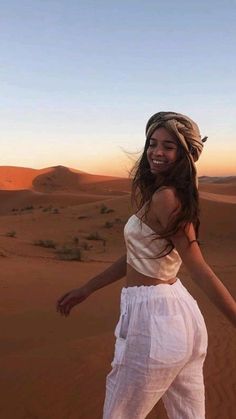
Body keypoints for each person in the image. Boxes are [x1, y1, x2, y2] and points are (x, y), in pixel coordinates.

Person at [56, 111, 236, 419]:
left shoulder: (167, 198)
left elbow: (199, 268)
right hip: (179, 315)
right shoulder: (165, 194)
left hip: (152, 321)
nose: (156, 152)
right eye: (152, 143)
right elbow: (136, 256)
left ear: (183, 154)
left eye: (168, 146)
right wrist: (87, 288)